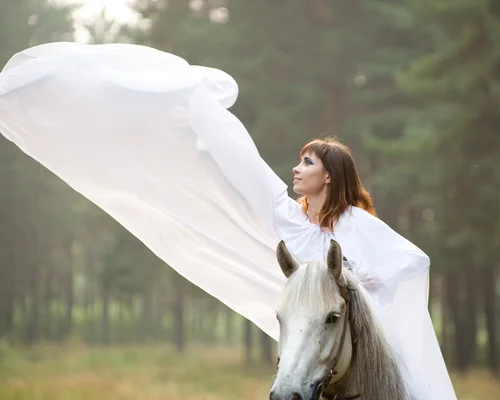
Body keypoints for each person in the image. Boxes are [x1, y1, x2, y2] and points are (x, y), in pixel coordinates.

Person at [0, 42, 456, 399]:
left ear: (330, 175)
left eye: (308, 162)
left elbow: (412, 265)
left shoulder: (356, 224)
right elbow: (244, 169)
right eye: (299, 161)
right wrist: (202, 120)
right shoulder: (289, 220)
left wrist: (359, 287)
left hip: (352, 350)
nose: (296, 169)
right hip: (316, 354)